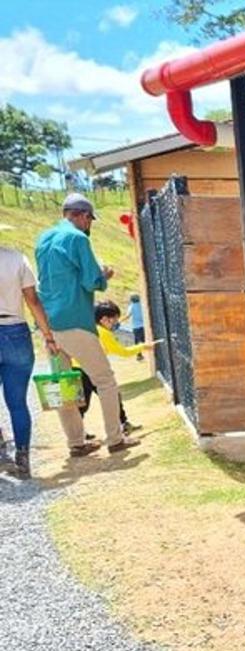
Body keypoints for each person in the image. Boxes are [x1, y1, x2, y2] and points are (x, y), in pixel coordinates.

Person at [34, 193, 138, 457]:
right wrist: (105, 274)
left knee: (64, 385)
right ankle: (115, 438)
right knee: (105, 380)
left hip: (50, 325)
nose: (89, 225)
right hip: (76, 320)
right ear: (81, 215)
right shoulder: (77, 238)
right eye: (89, 219)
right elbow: (91, 281)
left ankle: (76, 443)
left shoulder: (43, 239)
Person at [0, 245, 60, 480]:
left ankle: (1, 452)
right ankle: (23, 458)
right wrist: (48, 336)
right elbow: (33, 300)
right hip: (16, 330)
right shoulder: (17, 258)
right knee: (17, 403)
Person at [76, 300, 146, 436]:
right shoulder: (104, 333)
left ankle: (80, 433)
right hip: (92, 370)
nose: (116, 323)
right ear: (104, 319)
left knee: (82, 404)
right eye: (114, 320)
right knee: (112, 396)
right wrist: (143, 347)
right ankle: (122, 425)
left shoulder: (90, 329)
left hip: (78, 369)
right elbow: (122, 352)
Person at [125, 293, 145, 361]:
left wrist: (120, 320)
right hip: (143, 325)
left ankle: (139, 355)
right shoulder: (142, 305)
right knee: (143, 340)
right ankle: (140, 355)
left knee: (137, 341)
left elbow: (128, 315)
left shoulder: (131, 306)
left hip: (136, 326)